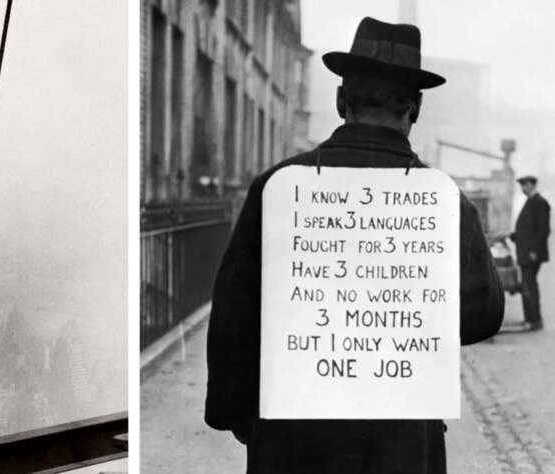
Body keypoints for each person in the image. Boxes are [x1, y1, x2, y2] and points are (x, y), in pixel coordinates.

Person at [204, 17, 505, 474]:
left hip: (293, 432)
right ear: (416, 108)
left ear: (341, 99)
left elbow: (234, 312)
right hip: (401, 433)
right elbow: (483, 313)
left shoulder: (280, 186)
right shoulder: (444, 198)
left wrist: (243, 416)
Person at [511, 175, 550, 331]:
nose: (522, 188)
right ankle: (530, 319)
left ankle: (534, 321)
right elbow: (526, 229)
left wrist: (534, 251)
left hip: (531, 254)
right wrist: (512, 236)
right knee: (528, 286)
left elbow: (543, 231)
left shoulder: (540, 203)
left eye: (524, 185)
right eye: (521, 186)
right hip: (526, 253)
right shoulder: (531, 202)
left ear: (531, 185)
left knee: (529, 287)